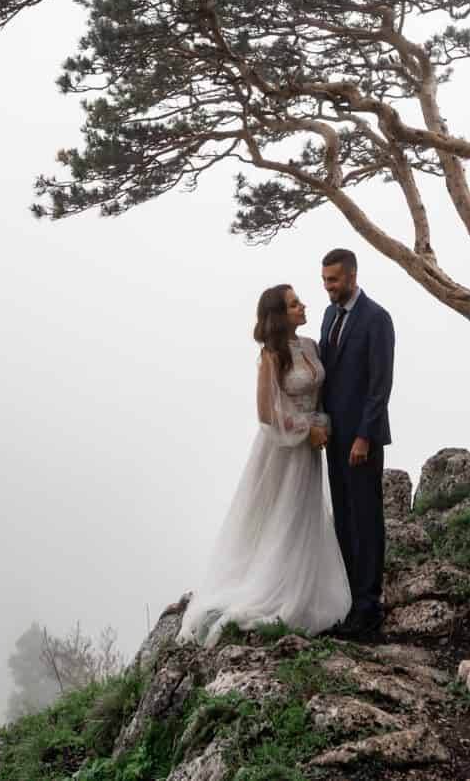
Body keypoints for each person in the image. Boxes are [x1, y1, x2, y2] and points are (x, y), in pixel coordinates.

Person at [179, 284, 351, 645]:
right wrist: (307, 431)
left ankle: (303, 585)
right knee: (280, 514)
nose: (302, 305)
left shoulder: (310, 346)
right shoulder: (271, 356)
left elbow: (319, 392)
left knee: (303, 515)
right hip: (282, 449)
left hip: (309, 448)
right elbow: (266, 413)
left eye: (299, 301)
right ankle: (270, 589)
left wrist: (322, 425)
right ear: (279, 315)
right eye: (293, 304)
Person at [319, 248, 395, 640]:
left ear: (351, 276)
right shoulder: (330, 316)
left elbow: (380, 385)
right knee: (345, 520)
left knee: (367, 519)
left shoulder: (377, 319)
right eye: (324, 281)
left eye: (333, 280)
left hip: (363, 440)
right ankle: (350, 602)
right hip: (334, 439)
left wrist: (365, 435)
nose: (328, 287)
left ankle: (370, 606)